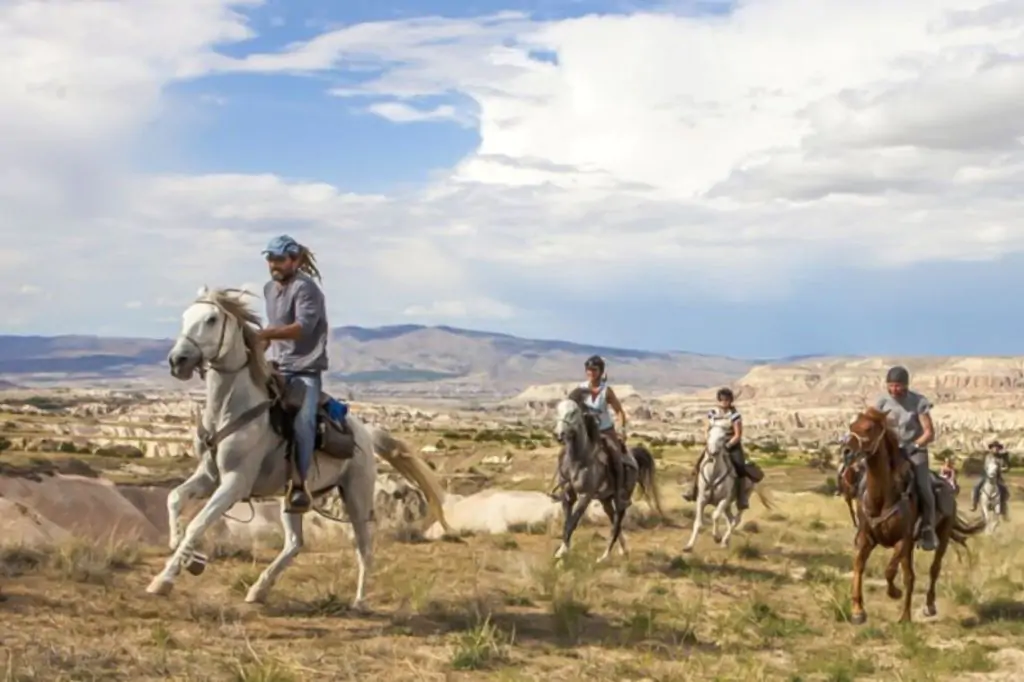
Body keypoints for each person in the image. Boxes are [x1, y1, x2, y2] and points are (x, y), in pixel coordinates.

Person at [257, 234, 329, 514]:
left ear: (295, 260)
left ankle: (300, 483)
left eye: (279, 259)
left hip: (305, 369)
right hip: (278, 365)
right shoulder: (268, 289)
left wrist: (265, 333)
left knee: (303, 422)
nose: (273, 264)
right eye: (270, 259)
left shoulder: (306, 289)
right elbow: (274, 327)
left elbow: (302, 328)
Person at [874, 365, 938, 551]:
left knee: (922, 485)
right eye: (891, 386)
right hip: (890, 451)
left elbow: (929, 432)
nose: (894, 389)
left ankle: (927, 528)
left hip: (914, 450)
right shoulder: (882, 403)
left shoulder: (919, 402)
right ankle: (866, 520)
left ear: (906, 385)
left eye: (898, 386)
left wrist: (915, 445)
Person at [551, 355, 630, 506]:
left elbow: (619, 412)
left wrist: (622, 430)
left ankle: (620, 493)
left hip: (605, 431)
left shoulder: (606, 391)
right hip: (585, 432)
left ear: (600, 371)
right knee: (564, 454)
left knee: (615, 454)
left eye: (594, 369)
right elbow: (570, 408)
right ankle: (564, 489)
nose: (591, 372)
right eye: (588, 369)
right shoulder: (580, 390)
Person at [683, 387, 751, 509]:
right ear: (719, 400)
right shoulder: (712, 413)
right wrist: (708, 440)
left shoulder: (735, 415)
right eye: (722, 400)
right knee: (698, 464)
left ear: (730, 401)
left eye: (726, 400)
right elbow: (706, 428)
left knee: (740, 467)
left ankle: (742, 498)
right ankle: (692, 490)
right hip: (713, 444)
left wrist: (727, 445)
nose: (724, 402)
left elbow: (737, 434)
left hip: (731, 445)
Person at [972, 441, 1010, 517]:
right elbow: (985, 466)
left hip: (998, 477)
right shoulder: (987, 457)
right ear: (991, 448)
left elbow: (1006, 467)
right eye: (994, 447)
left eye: (997, 448)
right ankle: (974, 503)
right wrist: (988, 469)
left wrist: (1002, 469)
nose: (995, 449)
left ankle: (1003, 506)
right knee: (976, 486)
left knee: (1005, 490)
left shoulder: (1001, 458)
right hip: (986, 476)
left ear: (999, 449)